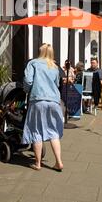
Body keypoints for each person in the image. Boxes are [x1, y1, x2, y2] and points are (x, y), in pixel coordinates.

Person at [22, 43, 64, 172]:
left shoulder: (33, 63)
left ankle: (38, 163)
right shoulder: (55, 67)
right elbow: (57, 84)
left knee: (36, 131)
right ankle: (59, 162)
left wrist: (26, 90)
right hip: (54, 101)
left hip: (38, 99)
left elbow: (28, 81)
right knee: (53, 132)